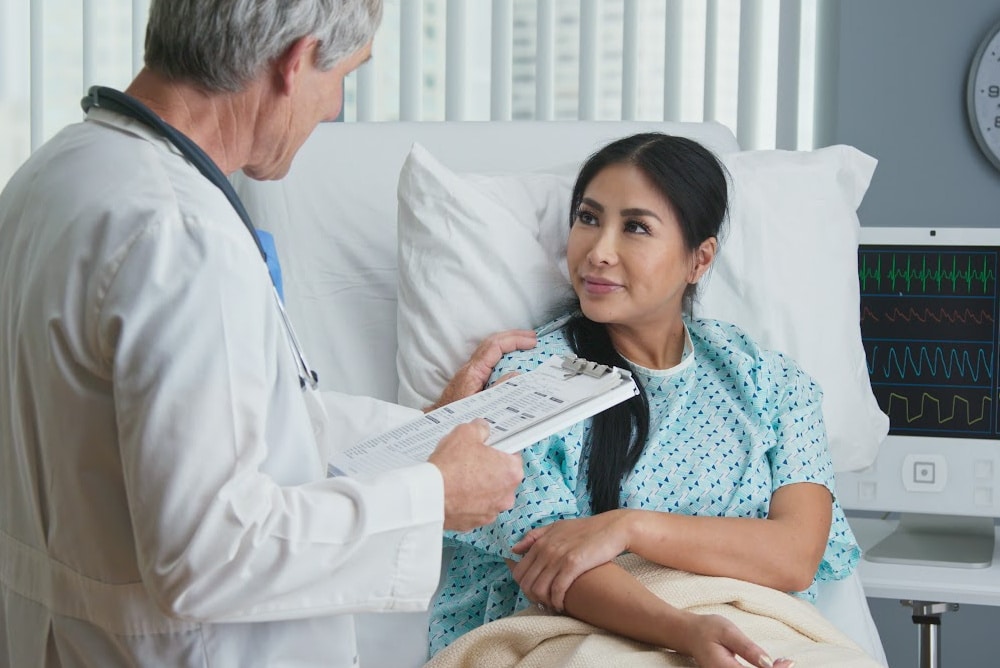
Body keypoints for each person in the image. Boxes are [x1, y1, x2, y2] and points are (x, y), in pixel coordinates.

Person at [0, 1, 535, 666]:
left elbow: (214, 421)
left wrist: (413, 436)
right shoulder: (184, 238)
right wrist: (434, 497)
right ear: (293, 63)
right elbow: (207, 554)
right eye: (343, 76)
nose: (334, 108)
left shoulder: (54, 174)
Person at [428, 133, 860, 668]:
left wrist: (630, 525)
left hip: (762, 631)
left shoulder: (771, 385)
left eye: (635, 227)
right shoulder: (529, 379)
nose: (598, 251)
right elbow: (548, 563)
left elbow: (796, 556)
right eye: (588, 218)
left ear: (698, 260)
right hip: (579, 634)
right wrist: (686, 632)